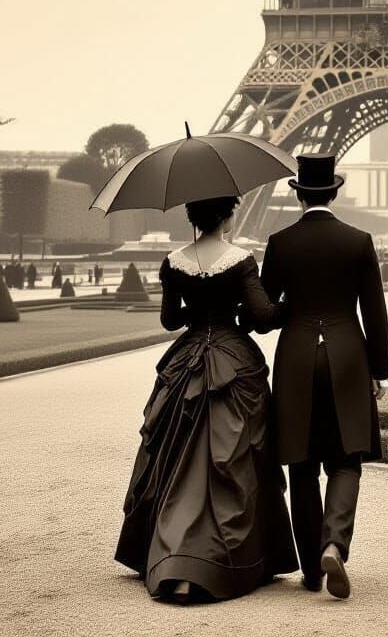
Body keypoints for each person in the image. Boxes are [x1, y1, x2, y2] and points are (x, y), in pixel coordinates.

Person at [115, 194, 297, 602]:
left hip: (189, 357)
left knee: (172, 455)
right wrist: (292, 304)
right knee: (235, 460)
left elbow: (169, 320)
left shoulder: (173, 260)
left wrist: (198, 309)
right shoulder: (240, 259)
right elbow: (264, 317)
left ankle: (168, 553)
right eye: (232, 209)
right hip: (232, 359)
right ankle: (228, 557)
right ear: (225, 214)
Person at [258, 153, 388, 600]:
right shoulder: (358, 240)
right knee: (346, 457)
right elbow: (375, 312)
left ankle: (313, 573)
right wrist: (380, 370)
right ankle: (335, 541)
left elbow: (265, 313)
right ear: (334, 192)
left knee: (301, 462)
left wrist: (284, 312)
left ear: (297, 195)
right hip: (348, 353)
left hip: (296, 355)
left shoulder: (280, 243)